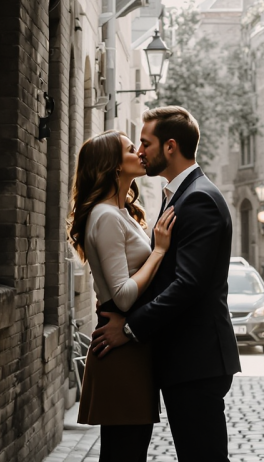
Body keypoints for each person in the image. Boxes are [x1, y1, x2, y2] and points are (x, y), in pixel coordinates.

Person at [92, 106, 240, 462]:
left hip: (196, 361)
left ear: (170, 146)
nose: (141, 151)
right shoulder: (179, 195)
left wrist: (128, 329)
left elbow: (187, 285)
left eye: (146, 143)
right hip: (184, 361)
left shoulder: (198, 199)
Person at [67, 130, 176, 462]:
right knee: (125, 451)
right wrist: (158, 252)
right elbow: (125, 296)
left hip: (129, 343)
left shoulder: (122, 211)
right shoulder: (106, 216)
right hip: (120, 348)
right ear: (114, 166)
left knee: (127, 448)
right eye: (132, 149)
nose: (140, 153)